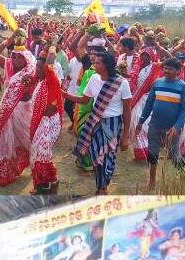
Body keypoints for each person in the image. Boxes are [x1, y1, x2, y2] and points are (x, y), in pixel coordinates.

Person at [63, 52, 132, 195]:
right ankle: (101, 185)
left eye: (98, 63)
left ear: (107, 65)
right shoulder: (94, 78)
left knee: (107, 156)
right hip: (95, 121)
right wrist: (65, 95)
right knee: (95, 155)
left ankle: (103, 186)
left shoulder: (122, 83)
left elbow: (127, 110)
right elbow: (84, 100)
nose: (94, 65)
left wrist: (125, 136)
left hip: (112, 124)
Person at [0, 29, 36, 186]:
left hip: (24, 110)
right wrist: (8, 41)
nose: (15, 60)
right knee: (5, 140)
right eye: (14, 56)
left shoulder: (30, 71)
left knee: (26, 139)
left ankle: (32, 163)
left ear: (26, 59)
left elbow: (31, 91)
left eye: (19, 57)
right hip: (8, 111)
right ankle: (4, 172)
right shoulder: (8, 65)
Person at [136, 57, 185, 191]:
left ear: (178, 71)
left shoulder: (183, 87)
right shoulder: (157, 83)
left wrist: (176, 127)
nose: (166, 71)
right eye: (165, 68)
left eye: (170, 69)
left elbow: (184, 110)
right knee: (152, 153)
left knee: (174, 154)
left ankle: (184, 176)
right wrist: (141, 121)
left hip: (172, 129)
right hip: (154, 125)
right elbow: (149, 104)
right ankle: (151, 183)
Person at [29, 48, 63, 194]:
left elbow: (49, 64)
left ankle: (45, 185)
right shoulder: (41, 81)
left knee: (41, 154)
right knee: (40, 153)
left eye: (40, 67)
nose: (37, 69)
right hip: (41, 122)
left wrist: (52, 47)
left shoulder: (52, 79)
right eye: (36, 66)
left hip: (49, 122)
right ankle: (49, 182)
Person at [129, 48, 162, 161]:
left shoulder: (155, 67)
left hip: (148, 98)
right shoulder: (138, 66)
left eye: (147, 55)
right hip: (137, 96)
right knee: (135, 123)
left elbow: (170, 61)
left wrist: (159, 47)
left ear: (151, 56)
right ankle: (141, 152)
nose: (144, 57)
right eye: (143, 55)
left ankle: (146, 150)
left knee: (143, 125)